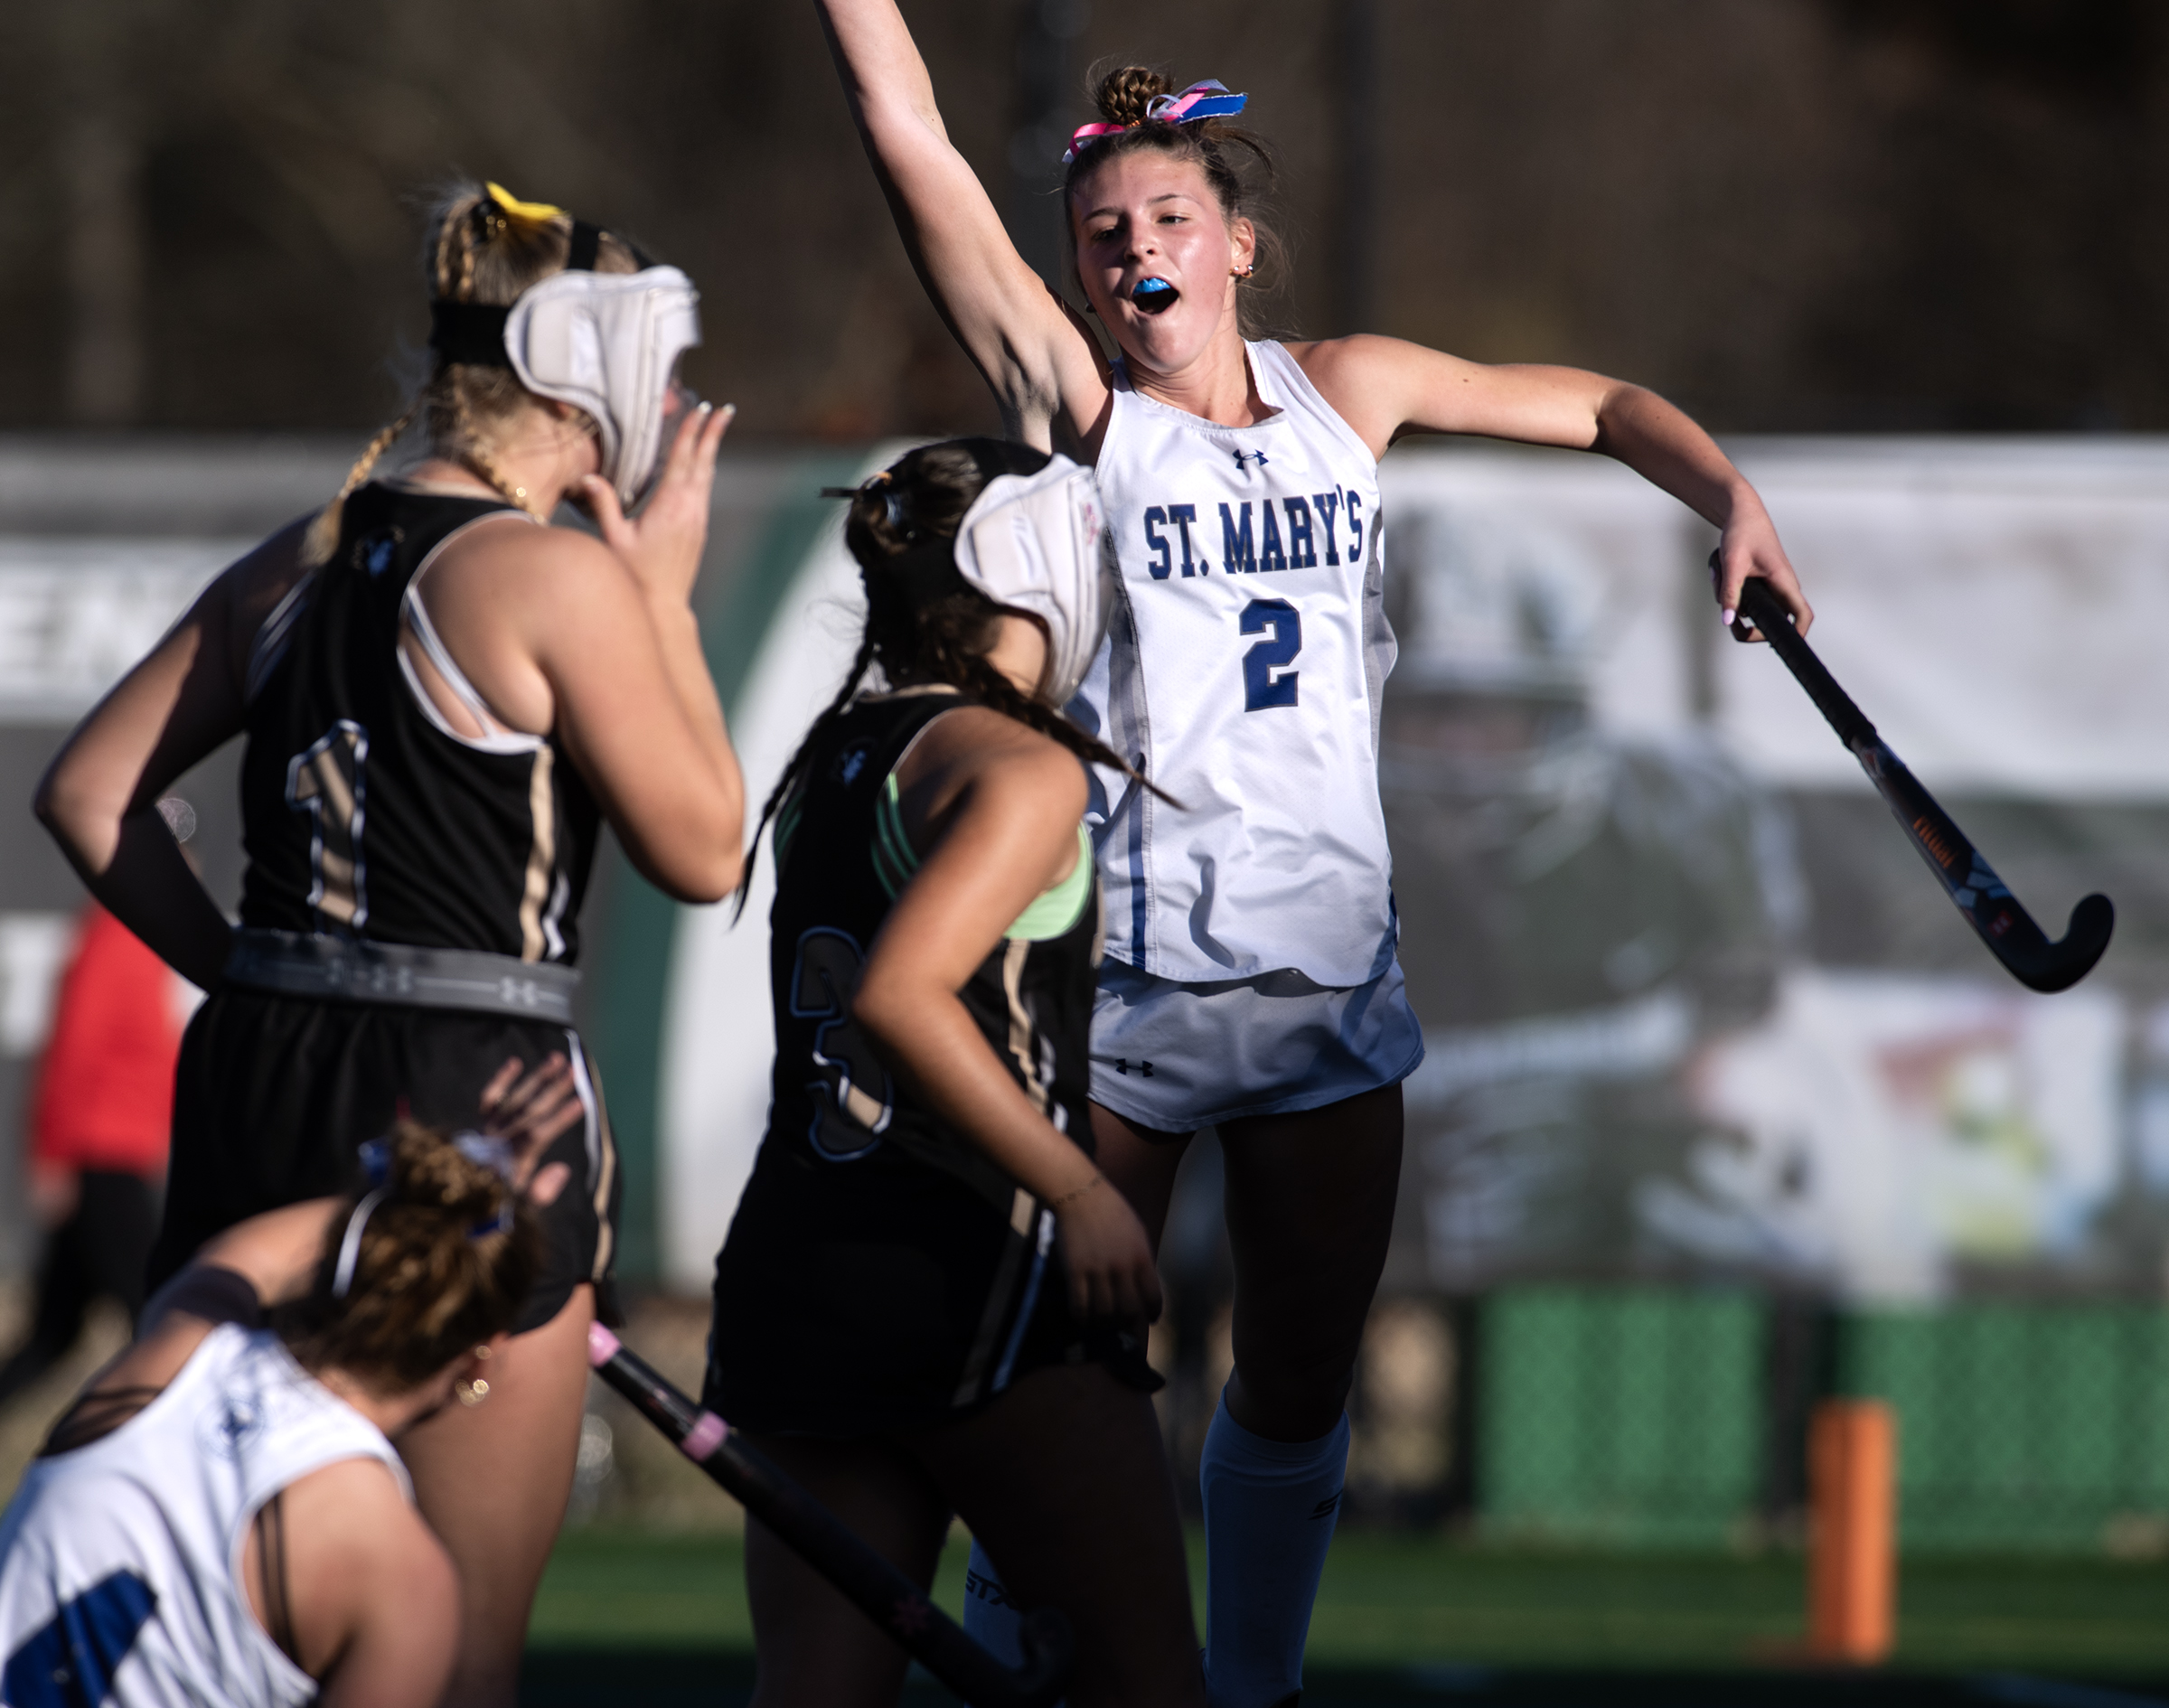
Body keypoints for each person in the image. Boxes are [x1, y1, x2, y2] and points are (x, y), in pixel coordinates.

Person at [810, 13, 1817, 1705]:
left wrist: (1729, 495)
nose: (1138, 250)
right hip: (1126, 984)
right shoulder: (1078, 410)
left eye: (1171, 221)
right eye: (1105, 230)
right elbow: (905, 130)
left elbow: (1602, 403)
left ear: (1237, 244)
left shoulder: (1348, 389)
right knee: (1068, 1379)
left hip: (1328, 988)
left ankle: (1253, 1687)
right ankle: (1016, 1666)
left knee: (1293, 1382)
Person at [33, 181, 745, 1704]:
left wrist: (243, 972)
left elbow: (88, 796)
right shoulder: (553, 577)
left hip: (258, 1083)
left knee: (235, 1598)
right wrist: (666, 605)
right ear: (585, 372)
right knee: (454, 1643)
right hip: (468, 1094)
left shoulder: (298, 560)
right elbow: (707, 850)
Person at [704, 439, 1202, 1708]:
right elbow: (902, 997)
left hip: (803, 1264)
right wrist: (1082, 1193)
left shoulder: (839, 752)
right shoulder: (1019, 764)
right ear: (1028, 567)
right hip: (977, 1268)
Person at [0, 1055, 579, 1708]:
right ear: (482, 1358)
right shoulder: (400, 1577)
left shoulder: (172, 1359)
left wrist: (463, 1176)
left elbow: (261, 1253)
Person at [0, 874, 190, 1405]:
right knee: (155, 1312)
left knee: (52, 1336)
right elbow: (72, 1054)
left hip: (120, 1153)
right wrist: (53, 1155)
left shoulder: (141, 940)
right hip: (102, 1156)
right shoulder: (114, 938)